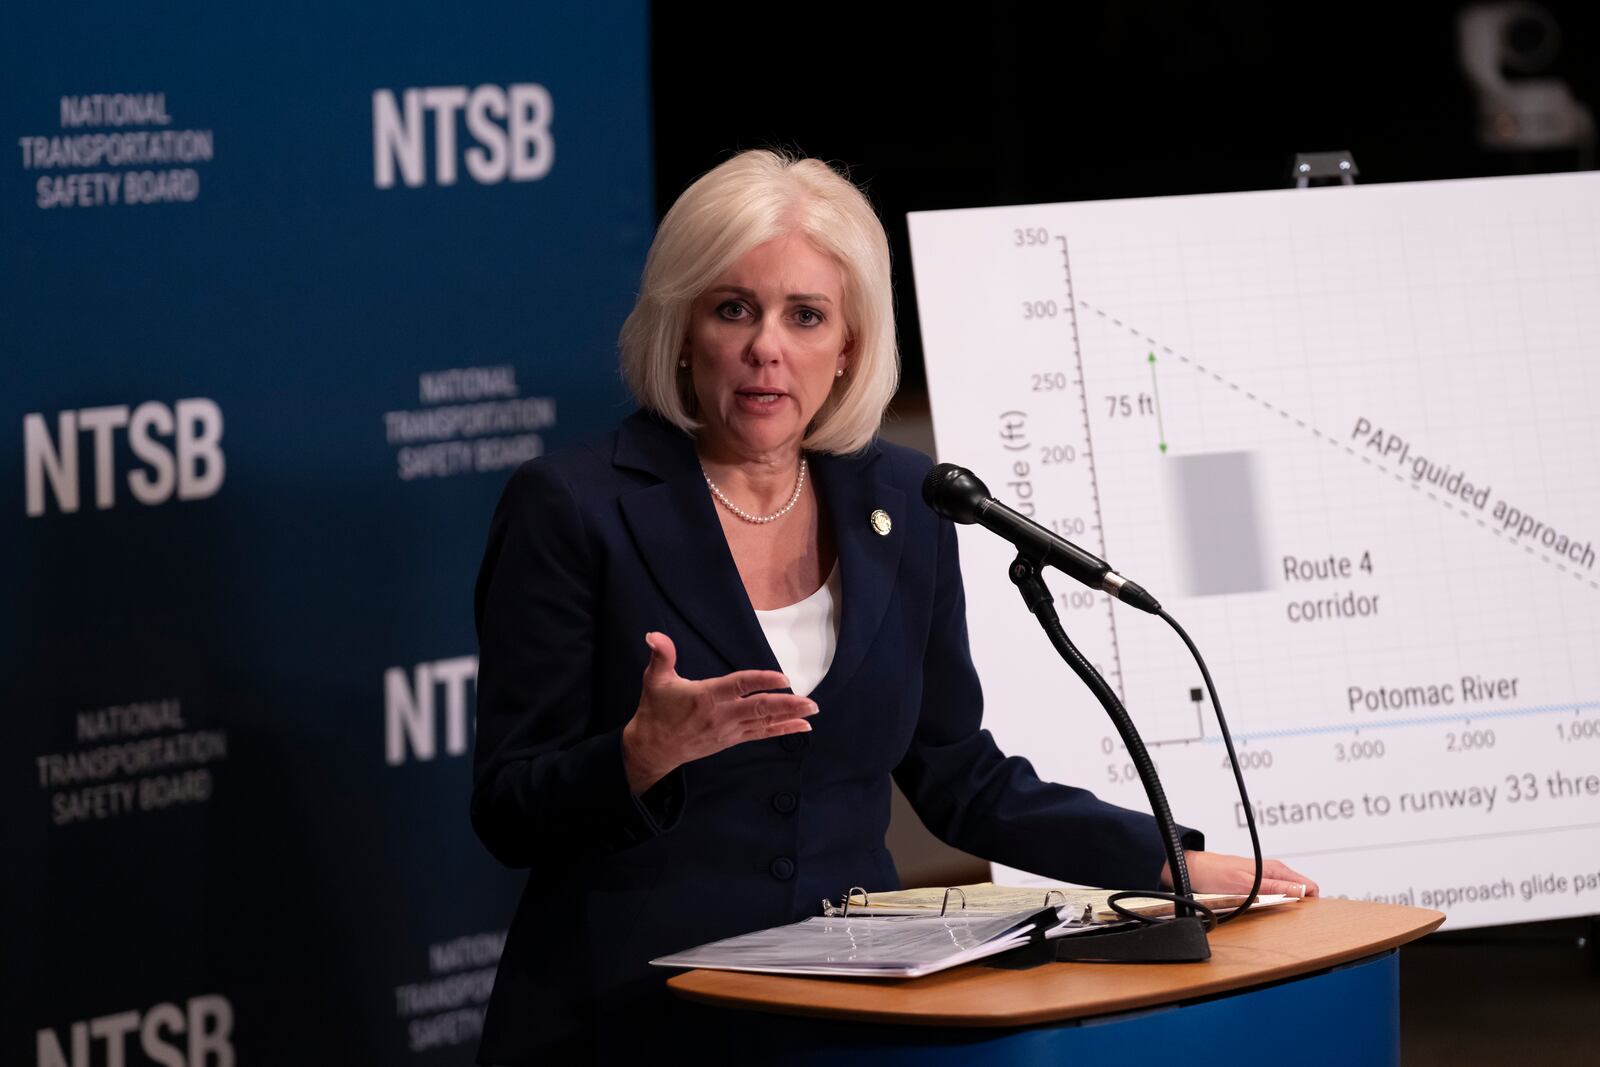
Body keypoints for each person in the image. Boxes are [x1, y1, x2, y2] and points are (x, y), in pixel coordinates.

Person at [470, 149, 1317, 1063]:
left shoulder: (906, 501)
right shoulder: (573, 506)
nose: (767, 346)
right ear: (680, 330)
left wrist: (1163, 861)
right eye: (733, 309)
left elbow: (958, 774)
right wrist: (638, 757)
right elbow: (507, 807)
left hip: (855, 1019)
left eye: (806, 315)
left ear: (850, 347)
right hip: (637, 1018)